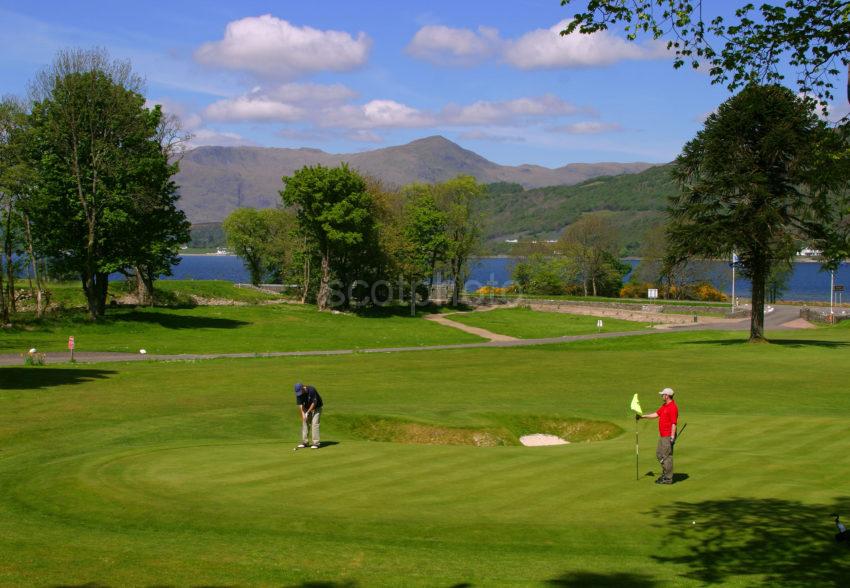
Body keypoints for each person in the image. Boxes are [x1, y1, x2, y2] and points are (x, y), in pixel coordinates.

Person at [638, 387, 678, 484]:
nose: (661, 396)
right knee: (659, 455)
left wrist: (672, 437)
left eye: (663, 394)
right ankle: (665, 473)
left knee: (667, 456)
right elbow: (656, 414)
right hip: (663, 435)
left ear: (667, 396)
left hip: (668, 436)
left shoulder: (673, 407)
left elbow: (674, 423)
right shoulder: (665, 406)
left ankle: (668, 478)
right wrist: (642, 416)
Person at [294, 382, 323, 449]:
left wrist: (308, 412)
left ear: (303, 387)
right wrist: (303, 414)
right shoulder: (299, 394)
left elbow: (314, 403)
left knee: (314, 423)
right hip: (306, 408)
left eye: (300, 391)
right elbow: (301, 405)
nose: (299, 394)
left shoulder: (311, 390)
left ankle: (316, 443)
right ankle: (305, 442)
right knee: (305, 422)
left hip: (317, 407)